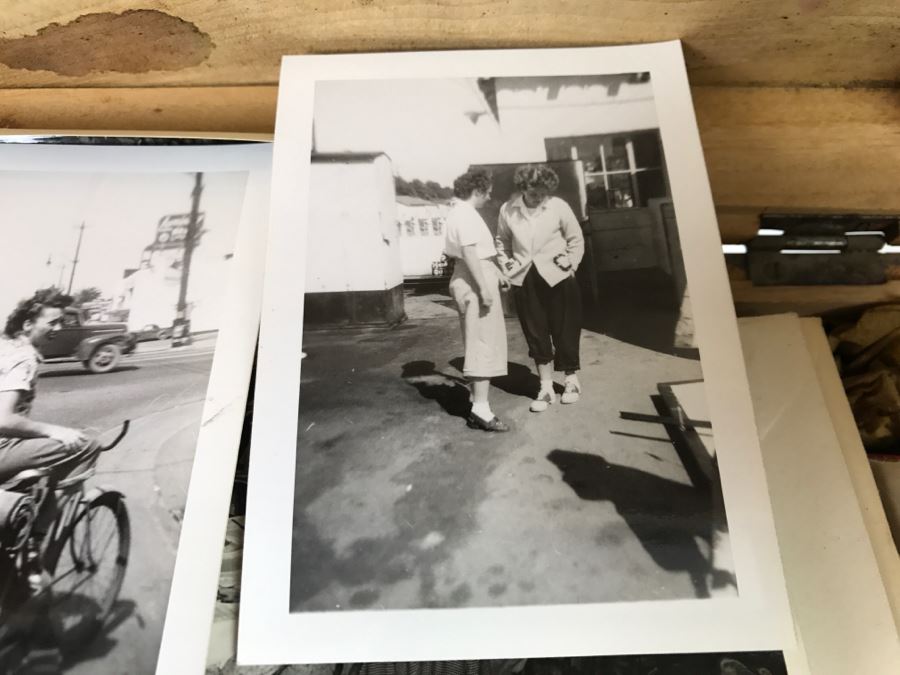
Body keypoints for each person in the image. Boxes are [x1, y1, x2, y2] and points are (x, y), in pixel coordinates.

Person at [495, 164, 585, 412]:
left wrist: (571, 265)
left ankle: (571, 381)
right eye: (534, 192)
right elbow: (502, 242)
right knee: (536, 332)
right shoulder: (508, 210)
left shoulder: (558, 206)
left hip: (558, 275)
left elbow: (575, 239)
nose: (539, 197)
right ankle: (545, 388)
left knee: (565, 328)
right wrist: (509, 266)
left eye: (544, 193)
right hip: (525, 278)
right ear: (523, 188)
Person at [0, 289, 99, 487]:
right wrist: (54, 431)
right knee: (87, 445)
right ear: (28, 325)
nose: (58, 328)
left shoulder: (5, 346)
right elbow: (3, 419)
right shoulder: (24, 358)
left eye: (60, 322)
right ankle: (56, 508)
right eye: (52, 323)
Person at [444, 168, 511, 432]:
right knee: (483, 343)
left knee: (478, 340)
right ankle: (481, 411)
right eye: (488, 192)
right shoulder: (465, 214)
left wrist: (496, 272)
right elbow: (470, 252)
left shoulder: (459, 212)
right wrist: (484, 288)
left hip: (471, 273)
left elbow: (476, 253)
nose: (489, 197)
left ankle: (477, 401)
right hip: (474, 278)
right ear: (477, 190)